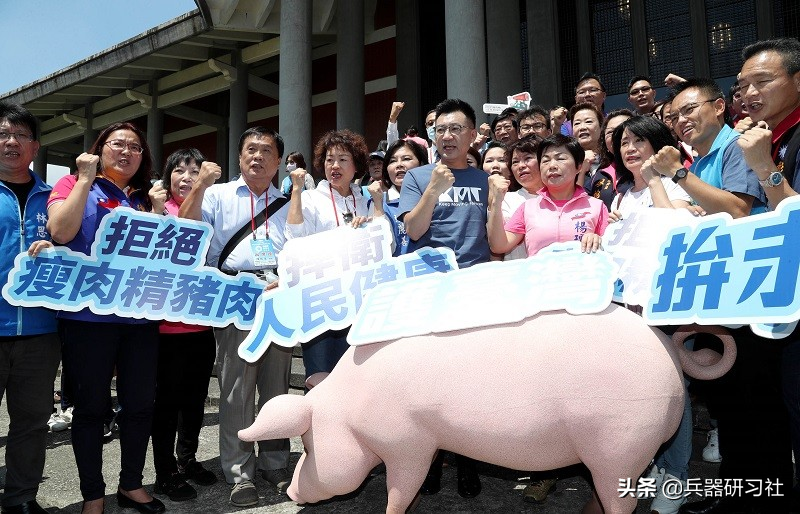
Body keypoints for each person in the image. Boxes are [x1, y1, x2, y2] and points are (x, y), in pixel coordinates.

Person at [644, 75, 778, 514]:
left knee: (754, 412)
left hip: (750, 297)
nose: (680, 120)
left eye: (689, 109)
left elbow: (739, 208)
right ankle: (736, 499)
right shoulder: (699, 161)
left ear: (719, 106)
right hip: (716, 300)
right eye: (674, 116)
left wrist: (677, 174)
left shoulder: (735, 148)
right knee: (731, 410)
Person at [46, 122, 164, 514]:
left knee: (140, 404)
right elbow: (61, 231)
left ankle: (131, 484)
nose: (126, 152)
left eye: (135, 147)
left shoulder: (145, 199)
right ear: (100, 149)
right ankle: (92, 496)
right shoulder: (70, 185)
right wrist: (84, 179)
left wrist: (160, 210)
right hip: (87, 318)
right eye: (117, 144)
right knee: (91, 408)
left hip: (140, 320)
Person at [178, 127, 294, 507]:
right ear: (239, 157)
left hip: (279, 299)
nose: (257, 157)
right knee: (236, 391)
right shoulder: (217, 194)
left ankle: (276, 462)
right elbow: (188, 227)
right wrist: (199, 185)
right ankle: (240, 472)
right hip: (233, 296)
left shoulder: (289, 202)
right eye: (250, 150)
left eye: (266, 151)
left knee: (276, 389)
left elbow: (300, 250)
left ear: (279, 161)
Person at [398, 98, 490, 498]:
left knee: (472, 380)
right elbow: (415, 231)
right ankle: (431, 460)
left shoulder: (487, 180)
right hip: (430, 292)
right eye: (441, 130)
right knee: (429, 381)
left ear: (472, 134)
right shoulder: (417, 176)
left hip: (475, 290)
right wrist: (433, 190)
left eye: (456, 129)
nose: (447, 136)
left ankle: (469, 460)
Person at [285, 129, 383, 388]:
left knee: (355, 379)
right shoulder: (310, 197)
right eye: (329, 159)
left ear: (356, 166)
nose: (335, 166)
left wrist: (372, 217)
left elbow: (384, 240)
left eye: (342, 159)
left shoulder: (364, 199)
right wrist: (296, 191)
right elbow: (295, 237)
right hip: (321, 298)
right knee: (320, 379)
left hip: (359, 300)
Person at [0, 102, 61, 514]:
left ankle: (21, 498)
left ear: (35, 147)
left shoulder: (53, 197)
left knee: (32, 423)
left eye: (20, 135)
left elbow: (76, 244)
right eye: (4, 134)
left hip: (41, 331)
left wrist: (60, 249)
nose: (11, 142)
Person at [148, 149, 218, 502]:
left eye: (195, 170)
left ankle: (187, 459)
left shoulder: (208, 207)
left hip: (201, 326)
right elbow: (177, 235)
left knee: (194, 400)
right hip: (164, 330)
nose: (188, 176)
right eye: (179, 170)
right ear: (167, 176)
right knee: (166, 404)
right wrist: (157, 211)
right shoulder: (155, 210)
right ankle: (165, 473)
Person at [487, 133, 607, 257]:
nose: (552, 166)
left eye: (560, 158)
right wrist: (496, 201)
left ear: (579, 166)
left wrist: (598, 240)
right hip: (538, 275)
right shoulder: (527, 208)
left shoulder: (596, 206)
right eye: (545, 160)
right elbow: (499, 245)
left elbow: (610, 248)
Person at [609, 116, 692, 219]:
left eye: (638, 140)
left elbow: (676, 225)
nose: (630, 149)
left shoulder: (675, 184)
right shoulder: (619, 200)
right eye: (624, 143)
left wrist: (653, 181)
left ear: (657, 144)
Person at [378, 139, 428, 256]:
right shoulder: (378, 202)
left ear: (421, 164)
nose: (399, 165)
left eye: (406, 159)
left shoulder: (435, 197)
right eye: (392, 161)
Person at [571, 102, 616, 209]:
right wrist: (581, 169)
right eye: (577, 123)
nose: (582, 127)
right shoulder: (569, 164)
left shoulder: (613, 158)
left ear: (601, 127)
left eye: (588, 122)